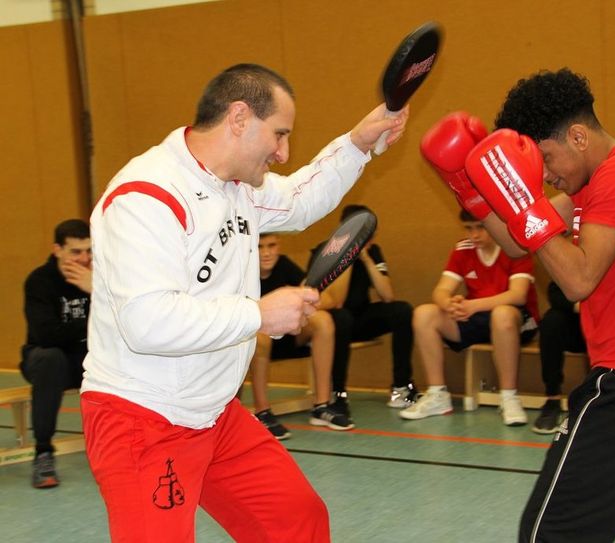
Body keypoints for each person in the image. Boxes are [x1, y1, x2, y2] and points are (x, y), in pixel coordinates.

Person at [80, 63, 408, 542]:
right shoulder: (145, 197)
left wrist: (357, 145)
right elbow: (146, 322)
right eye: (278, 134)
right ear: (238, 118)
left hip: (214, 414)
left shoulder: (238, 187)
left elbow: (299, 198)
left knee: (298, 521)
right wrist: (259, 313)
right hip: (142, 419)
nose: (283, 151)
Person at [421, 70, 615, 541]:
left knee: (550, 532)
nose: (547, 175)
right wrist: (469, 188)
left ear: (578, 135)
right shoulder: (596, 184)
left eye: (548, 159)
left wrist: (523, 199)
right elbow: (520, 244)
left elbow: (577, 278)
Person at [399, 209, 539, 426]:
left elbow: (518, 295)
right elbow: (441, 291)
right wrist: (449, 304)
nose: (474, 235)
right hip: (476, 316)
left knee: (502, 315)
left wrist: (473, 305)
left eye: (480, 227)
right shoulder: (463, 248)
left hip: (515, 319)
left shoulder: (516, 247)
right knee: (424, 314)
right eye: (469, 228)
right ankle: (438, 395)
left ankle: (509, 397)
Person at [312, 204, 417, 413]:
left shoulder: (373, 251)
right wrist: (347, 257)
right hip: (332, 322)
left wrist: (367, 260)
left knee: (402, 311)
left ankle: (401, 388)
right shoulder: (325, 252)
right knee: (342, 317)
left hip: (361, 317)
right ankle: (338, 393)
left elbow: (388, 296)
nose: (370, 238)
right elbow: (336, 301)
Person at [250, 232, 353, 439]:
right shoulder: (242, 272)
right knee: (258, 334)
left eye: (271, 246)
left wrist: (303, 299)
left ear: (279, 246)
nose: (267, 253)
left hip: (289, 337)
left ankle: (321, 405)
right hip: (255, 345)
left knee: (323, 320)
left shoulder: (285, 266)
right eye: (260, 247)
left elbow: (328, 300)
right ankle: (262, 412)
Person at [20, 219, 91, 489]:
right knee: (51, 358)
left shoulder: (100, 277)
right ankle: (43, 453)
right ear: (57, 249)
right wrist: (93, 317)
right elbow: (47, 335)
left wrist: (96, 291)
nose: (84, 259)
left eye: (89, 251)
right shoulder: (39, 281)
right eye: (75, 252)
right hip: (45, 359)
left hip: (86, 359)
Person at [532, 281, 586, 434]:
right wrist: (583, 307)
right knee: (551, 321)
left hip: (609, 322)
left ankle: (602, 399)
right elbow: (555, 293)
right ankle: (552, 399)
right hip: (577, 322)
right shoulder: (574, 257)